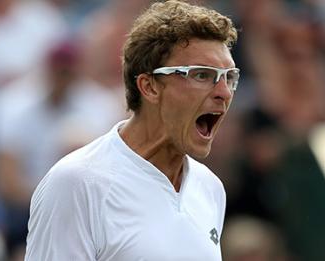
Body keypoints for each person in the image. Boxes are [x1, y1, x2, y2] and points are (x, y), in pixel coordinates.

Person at [25, 1, 239, 260]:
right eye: (202, 75)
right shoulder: (76, 183)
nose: (224, 92)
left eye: (229, 77)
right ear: (149, 87)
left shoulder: (210, 188)